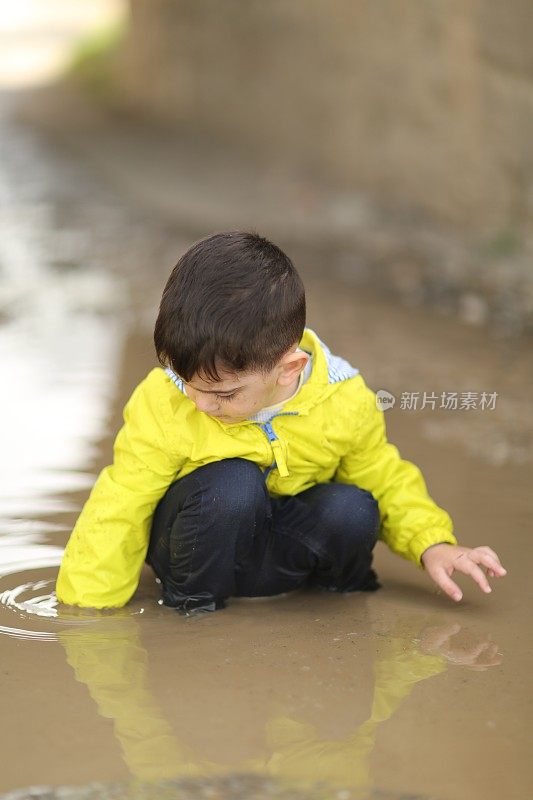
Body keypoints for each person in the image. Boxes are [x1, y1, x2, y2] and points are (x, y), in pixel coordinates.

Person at [55, 231, 507, 614]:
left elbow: (386, 479)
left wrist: (433, 544)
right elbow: (122, 502)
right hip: (198, 552)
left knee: (354, 507)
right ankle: (192, 609)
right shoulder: (165, 402)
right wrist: (86, 609)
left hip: (283, 556)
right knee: (234, 483)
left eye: (224, 394)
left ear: (288, 369)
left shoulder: (344, 401)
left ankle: (333, 605)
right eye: (185, 380)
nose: (198, 403)